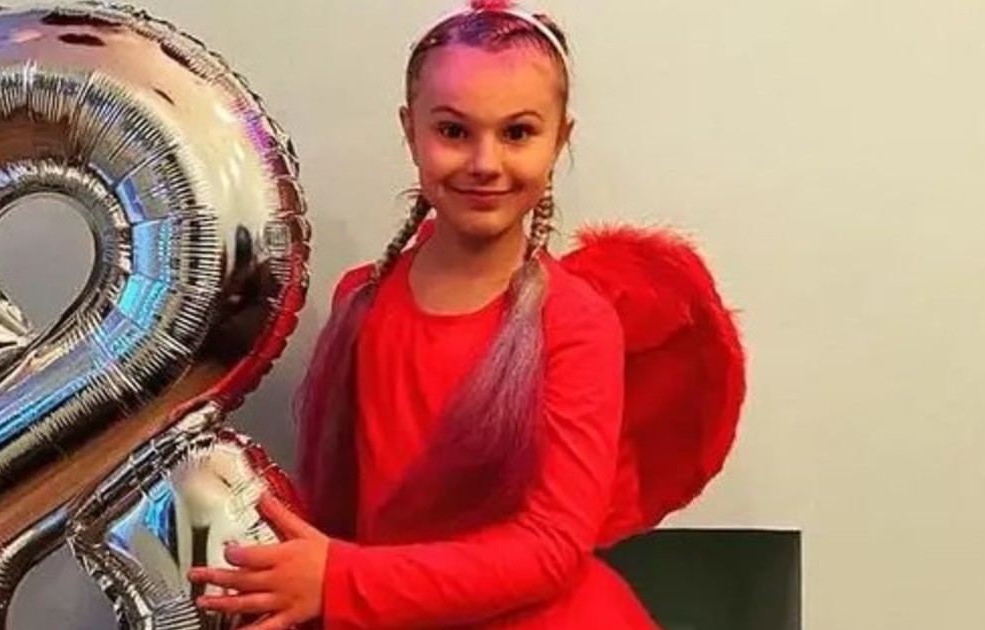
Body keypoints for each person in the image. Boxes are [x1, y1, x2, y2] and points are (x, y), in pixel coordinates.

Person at [189, 1, 682, 628]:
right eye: (453, 131)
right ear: (410, 129)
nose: (485, 162)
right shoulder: (361, 300)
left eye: (517, 133)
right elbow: (351, 512)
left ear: (560, 138)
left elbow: (551, 547)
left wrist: (341, 580)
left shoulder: (576, 324)